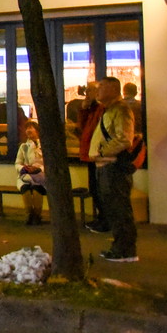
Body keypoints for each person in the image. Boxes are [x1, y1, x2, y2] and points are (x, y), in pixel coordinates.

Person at [88, 77, 138, 262]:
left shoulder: (121, 109)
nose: (97, 90)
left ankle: (125, 249)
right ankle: (120, 247)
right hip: (105, 165)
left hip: (113, 166)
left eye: (101, 87)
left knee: (119, 209)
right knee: (113, 209)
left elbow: (124, 139)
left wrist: (102, 151)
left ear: (113, 88)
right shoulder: (108, 110)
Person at [78, 81, 109, 233]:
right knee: (95, 188)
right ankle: (101, 218)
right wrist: (84, 109)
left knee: (101, 189)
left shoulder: (103, 109)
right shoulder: (92, 109)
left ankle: (105, 219)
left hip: (98, 154)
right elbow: (83, 128)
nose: (87, 94)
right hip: (90, 153)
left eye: (90, 90)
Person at [14, 120, 46, 226]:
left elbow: (48, 163)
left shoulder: (44, 145)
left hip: (41, 176)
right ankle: (29, 215)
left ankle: (37, 216)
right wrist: (23, 169)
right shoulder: (24, 146)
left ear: (37, 130)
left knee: (37, 190)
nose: (28, 130)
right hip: (26, 176)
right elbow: (18, 163)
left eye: (31, 128)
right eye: (27, 128)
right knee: (25, 190)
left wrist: (39, 169)